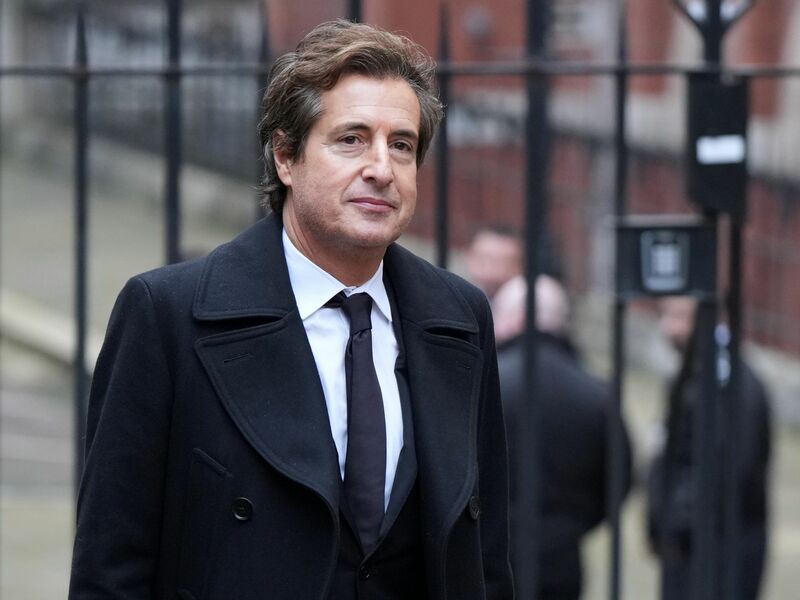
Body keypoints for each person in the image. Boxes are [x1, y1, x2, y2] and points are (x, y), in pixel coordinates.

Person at [69, 20, 513, 600]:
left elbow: (485, 555)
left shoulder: (459, 316)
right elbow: (110, 565)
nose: (381, 168)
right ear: (285, 156)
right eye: (351, 139)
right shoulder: (167, 315)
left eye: (401, 145)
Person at [491, 274, 632, 600]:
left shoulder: (488, 382)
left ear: (517, 318)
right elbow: (619, 478)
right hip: (562, 555)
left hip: (493, 552)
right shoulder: (595, 392)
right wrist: (573, 524)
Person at [647, 296, 771, 600]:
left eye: (680, 317)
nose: (669, 328)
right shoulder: (696, 372)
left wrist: (676, 523)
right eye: (666, 315)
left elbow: (729, 469)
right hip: (694, 545)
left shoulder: (729, 382)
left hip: (717, 548)